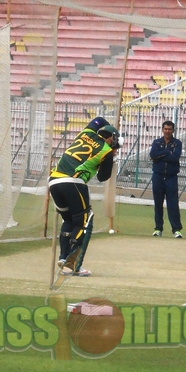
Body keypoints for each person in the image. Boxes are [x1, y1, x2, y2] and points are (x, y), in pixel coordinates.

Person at [49, 117, 120, 277]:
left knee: (68, 220)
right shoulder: (107, 151)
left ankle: (63, 257)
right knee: (83, 222)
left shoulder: (85, 133)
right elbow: (103, 177)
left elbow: (99, 119)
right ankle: (72, 263)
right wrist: (111, 158)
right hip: (73, 181)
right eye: (114, 142)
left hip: (54, 181)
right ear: (111, 138)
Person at [149, 120, 184, 238]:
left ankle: (176, 229)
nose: (167, 131)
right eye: (165, 129)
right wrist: (166, 152)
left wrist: (161, 155)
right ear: (162, 129)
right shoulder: (157, 142)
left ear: (173, 130)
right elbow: (153, 155)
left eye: (169, 129)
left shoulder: (177, 143)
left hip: (171, 177)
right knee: (158, 203)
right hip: (158, 176)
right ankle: (158, 228)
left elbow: (175, 157)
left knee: (173, 203)